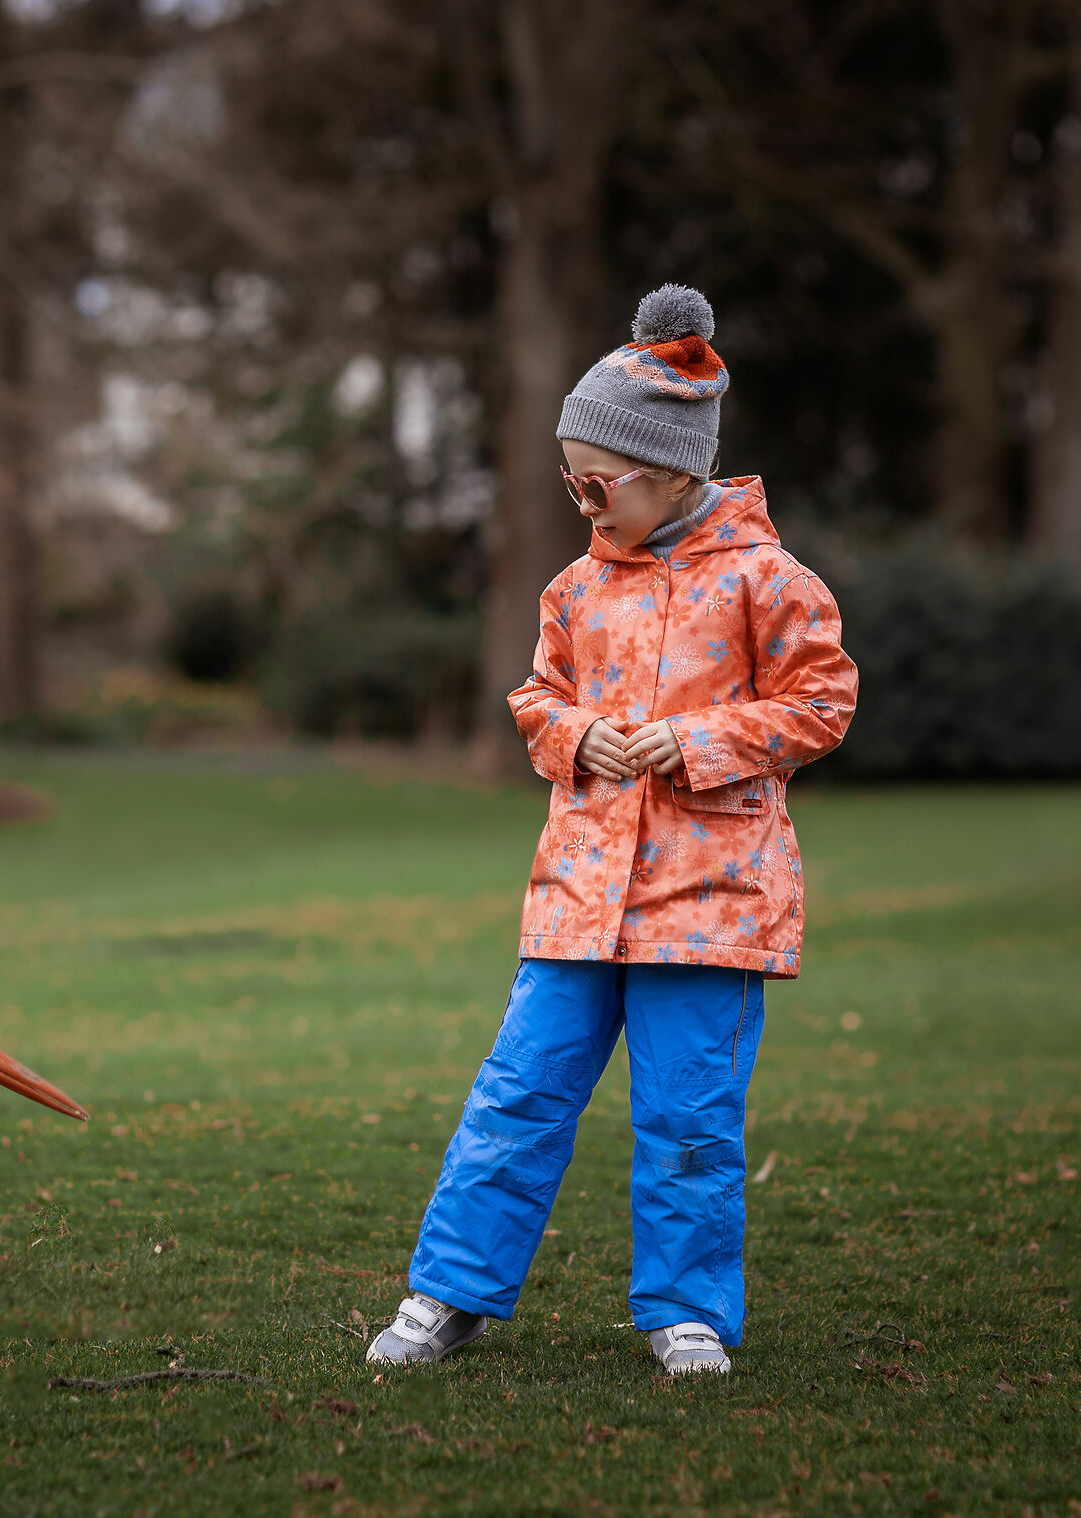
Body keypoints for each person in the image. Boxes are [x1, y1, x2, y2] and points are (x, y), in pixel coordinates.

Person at [368, 284, 858, 1376]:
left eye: (598, 482)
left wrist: (698, 744)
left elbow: (823, 706)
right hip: (576, 906)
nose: (581, 500)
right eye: (570, 479)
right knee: (516, 1096)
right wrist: (576, 736)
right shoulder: (572, 594)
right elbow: (537, 700)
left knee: (689, 1123)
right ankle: (450, 1293)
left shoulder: (768, 584)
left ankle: (685, 1312)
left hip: (710, 905)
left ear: (675, 472)